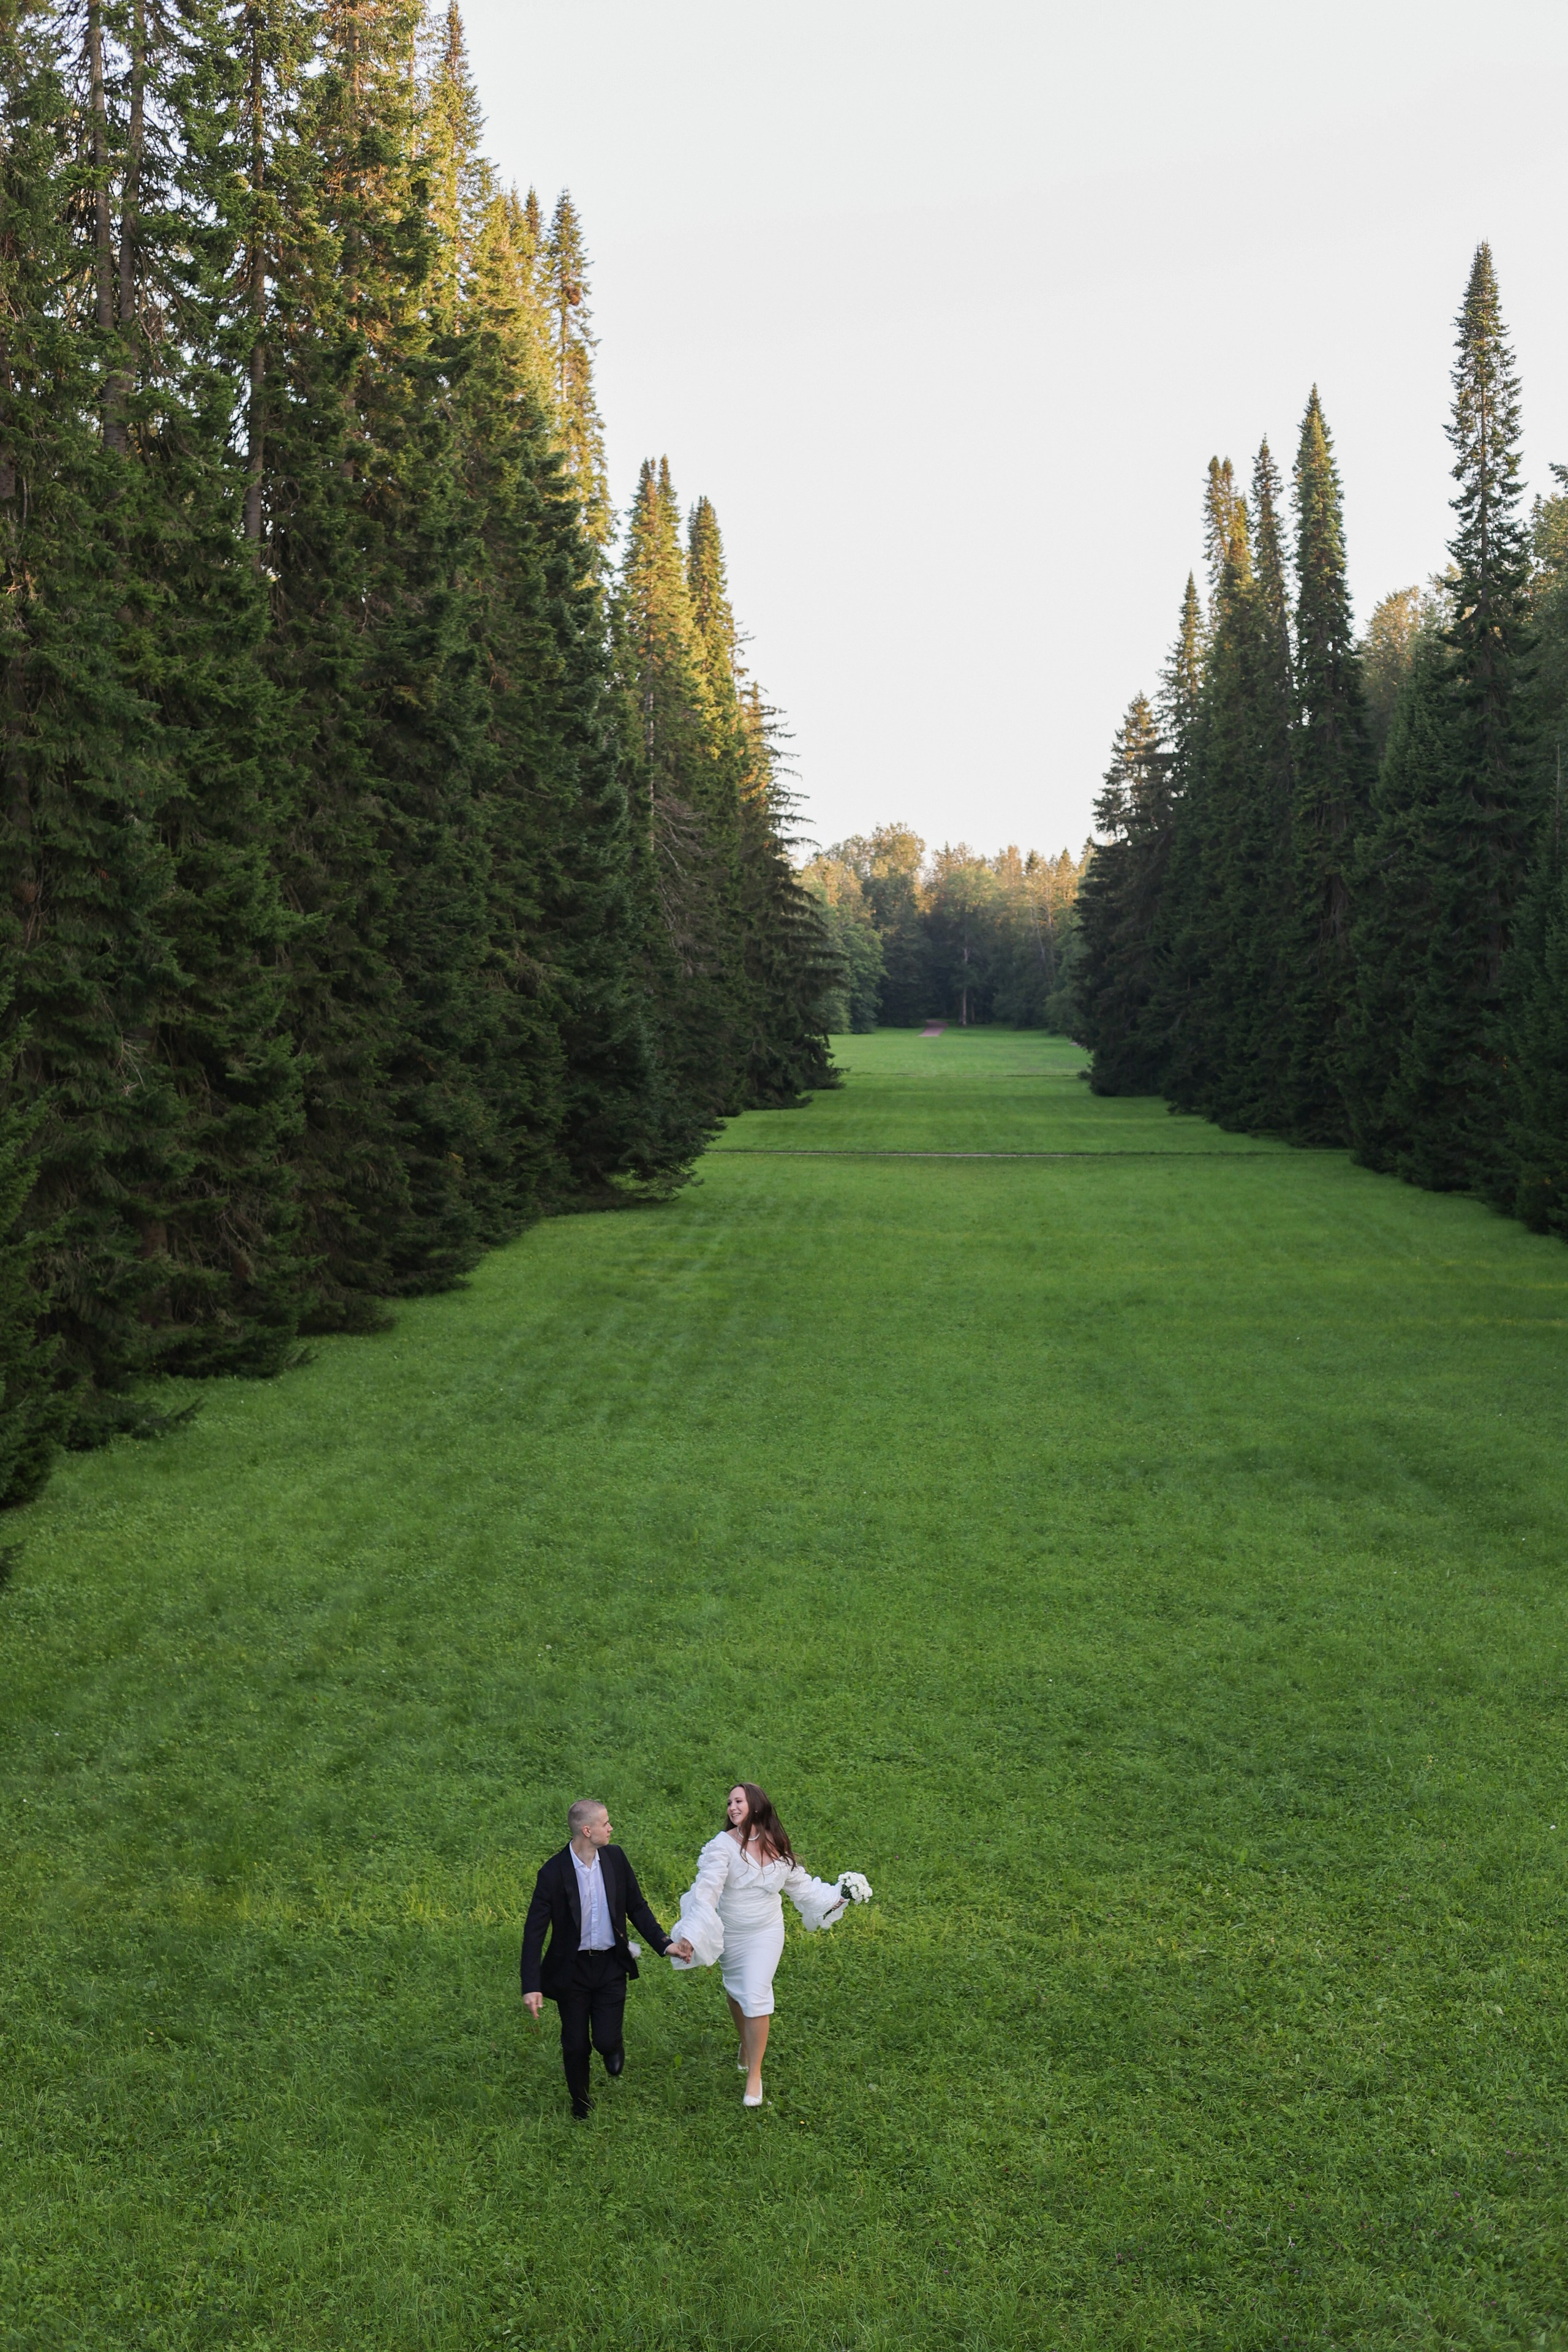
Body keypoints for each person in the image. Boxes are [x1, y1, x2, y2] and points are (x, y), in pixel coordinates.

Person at [669, 1782, 872, 2107]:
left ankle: (755, 2075)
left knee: (756, 1994)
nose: (732, 1807)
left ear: (756, 1805)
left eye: (739, 1801)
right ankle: (746, 2044)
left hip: (766, 1932)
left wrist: (839, 1896)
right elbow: (707, 1891)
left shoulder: (776, 1845)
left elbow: (803, 1889)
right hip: (733, 1933)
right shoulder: (722, 1846)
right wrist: (691, 1934)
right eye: (729, 1803)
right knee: (737, 1992)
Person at [520, 1799, 693, 2120]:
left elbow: (636, 1906)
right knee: (575, 2044)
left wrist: (665, 1944)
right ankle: (581, 2104)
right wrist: (531, 1985)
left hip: (611, 1965)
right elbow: (534, 1932)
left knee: (605, 2039)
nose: (611, 1828)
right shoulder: (553, 1873)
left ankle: (612, 2046)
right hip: (572, 1971)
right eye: (605, 1823)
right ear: (587, 1831)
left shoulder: (615, 1859)